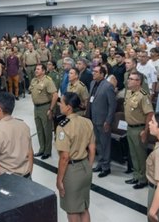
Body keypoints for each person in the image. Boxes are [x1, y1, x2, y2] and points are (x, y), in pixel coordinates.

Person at [56, 92, 96, 222]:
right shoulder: (87, 122)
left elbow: (64, 157)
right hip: (85, 167)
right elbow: (92, 148)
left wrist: (59, 180)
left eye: (61, 102)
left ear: (69, 107)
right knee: (83, 207)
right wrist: (88, 166)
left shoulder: (63, 127)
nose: (59, 105)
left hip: (72, 171)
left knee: (72, 210)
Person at [0, 92, 33, 180]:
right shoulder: (24, 126)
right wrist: (29, 176)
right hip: (26, 178)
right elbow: (30, 154)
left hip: (7, 182)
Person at [124, 71, 153, 189]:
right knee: (134, 154)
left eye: (131, 79)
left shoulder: (143, 95)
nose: (128, 80)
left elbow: (150, 114)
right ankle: (136, 175)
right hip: (130, 127)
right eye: (129, 78)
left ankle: (143, 179)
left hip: (139, 128)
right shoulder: (129, 92)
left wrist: (145, 131)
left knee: (141, 155)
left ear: (138, 82)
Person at [87, 65, 116, 177]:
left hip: (103, 120)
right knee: (98, 143)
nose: (93, 73)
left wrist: (108, 121)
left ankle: (106, 167)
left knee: (105, 144)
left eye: (96, 72)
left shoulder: (108, 86)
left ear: (102, 74)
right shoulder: (92, 83)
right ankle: (100, 162)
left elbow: (112, 105)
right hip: (93, 118)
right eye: (93, 71)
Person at [29, 64, 58, 160]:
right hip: (36, 108)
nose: (36, 70)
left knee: (47, 130)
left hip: (45, 107)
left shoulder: (48, 81)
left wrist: (51, 109)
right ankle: (41, 149)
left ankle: (47, 151)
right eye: (35, 69)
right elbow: (31, 91)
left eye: (38, 69)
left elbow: (55, 95)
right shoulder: (34, 80)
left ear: (44, 71)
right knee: (39, 130)